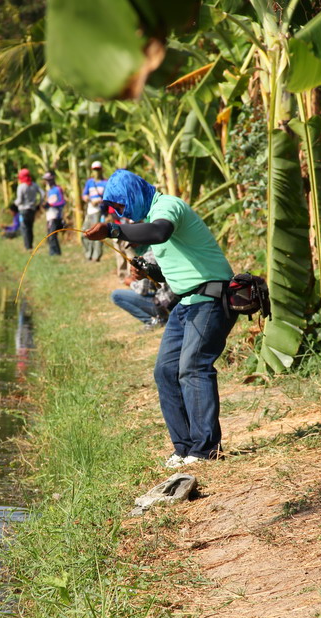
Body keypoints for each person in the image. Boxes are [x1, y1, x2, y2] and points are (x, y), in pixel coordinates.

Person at [85, 168, 237, 468]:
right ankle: (184, 448)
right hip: (187, 302)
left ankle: (206, 449)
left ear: (134, 193)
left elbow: (160, 232)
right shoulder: (151, 218)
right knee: (165, 371)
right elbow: (175, 272)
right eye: (116, 210)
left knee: (193, 366)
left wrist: (113, 229)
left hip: (210, 298)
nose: (121, 213)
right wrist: (150, 271)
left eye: (121, 206)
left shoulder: (167, 206)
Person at [81, 160, 107, 262]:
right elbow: (84, 195)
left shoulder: (105, 183)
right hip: (89, 210)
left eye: (98, 169)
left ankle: (96, 256)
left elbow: (108, 197)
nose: (96, 172)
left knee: (96, 234)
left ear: (101, 170)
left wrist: (99, 201)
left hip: (99, 211)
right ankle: (88, 253)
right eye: (94, 170)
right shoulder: (89, 182)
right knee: (84, 233)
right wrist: (87, 199)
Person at [14, 168, 43, 250]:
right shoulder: (34, 185)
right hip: (32, 210)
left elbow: (19, 200)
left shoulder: (21, 187)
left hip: (23, 210)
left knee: (24, 228)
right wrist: (39, 203)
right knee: (30, 228)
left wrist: (14, 204)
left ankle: (27, 246)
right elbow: (43, 193)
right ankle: (30, 245)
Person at [42, 170, 66, 256]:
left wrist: (51, 204)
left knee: (52, 236)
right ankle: (53, 253)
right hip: (49, 216)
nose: (48, 181)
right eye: (46, 180)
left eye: (49, 179)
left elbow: (62, 202)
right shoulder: (49, 191)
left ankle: (55, 253)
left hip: (56, 216)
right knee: (49, 236)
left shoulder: (58, 189)